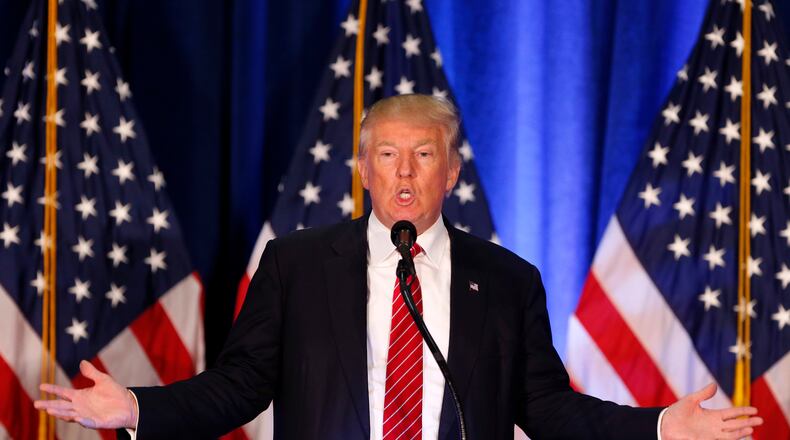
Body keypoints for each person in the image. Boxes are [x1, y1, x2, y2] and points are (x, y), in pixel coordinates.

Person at [36, 94, 762, 439]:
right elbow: (240, 385)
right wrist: (138, 408)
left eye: (423, 155)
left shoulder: (507, 281)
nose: (405, 172)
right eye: (387, 155)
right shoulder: (296, 266)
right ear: (364, 170)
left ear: (452, 172)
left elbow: (546, 408)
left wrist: (660, 428)